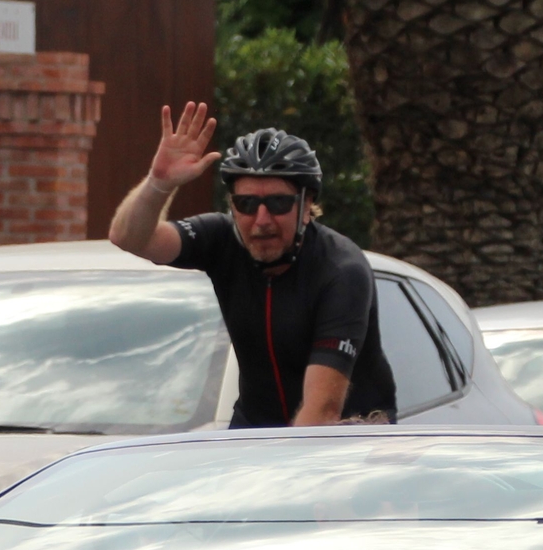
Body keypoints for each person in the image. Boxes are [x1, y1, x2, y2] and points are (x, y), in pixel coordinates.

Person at [108, 103, 397, 428]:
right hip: (255, 429)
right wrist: (159, 183)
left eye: (278, 203)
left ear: (306, 207)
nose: (261, 220)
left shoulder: (341, 271)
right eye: (246, 204)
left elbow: (322, 411)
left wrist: (276, 475)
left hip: (343, 436)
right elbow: (128, 238)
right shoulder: (222, 239)